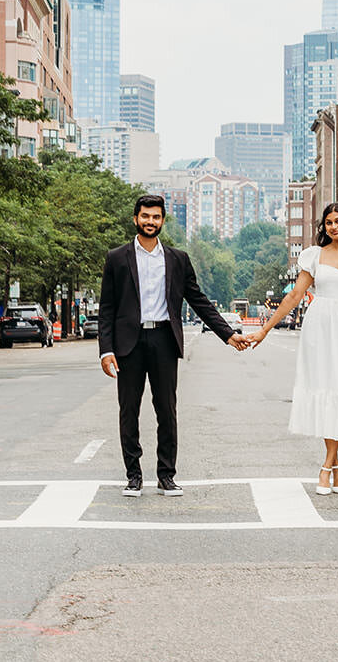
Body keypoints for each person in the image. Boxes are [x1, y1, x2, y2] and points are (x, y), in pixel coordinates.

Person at [99, 194, 249, 498]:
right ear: (135, 218)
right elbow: (107, 308)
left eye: (155, 217)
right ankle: (134, 476)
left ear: (162, 221)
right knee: (129, 411)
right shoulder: (117, 258)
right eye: (145, 216)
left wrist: (228, 334)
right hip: (129, 343)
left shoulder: (177, 259)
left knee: (166, 410)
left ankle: (166, 475)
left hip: (164, 340)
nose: (150, 221)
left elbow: (198, 300)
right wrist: (106, 349)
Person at [244, 202, 338, 496]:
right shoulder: (315, 256)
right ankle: (333, 466)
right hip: (318, 329)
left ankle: (329, 465)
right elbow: (295, 295)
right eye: (329, 222)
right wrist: (266, 329)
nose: (333, 227)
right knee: (324, 391)